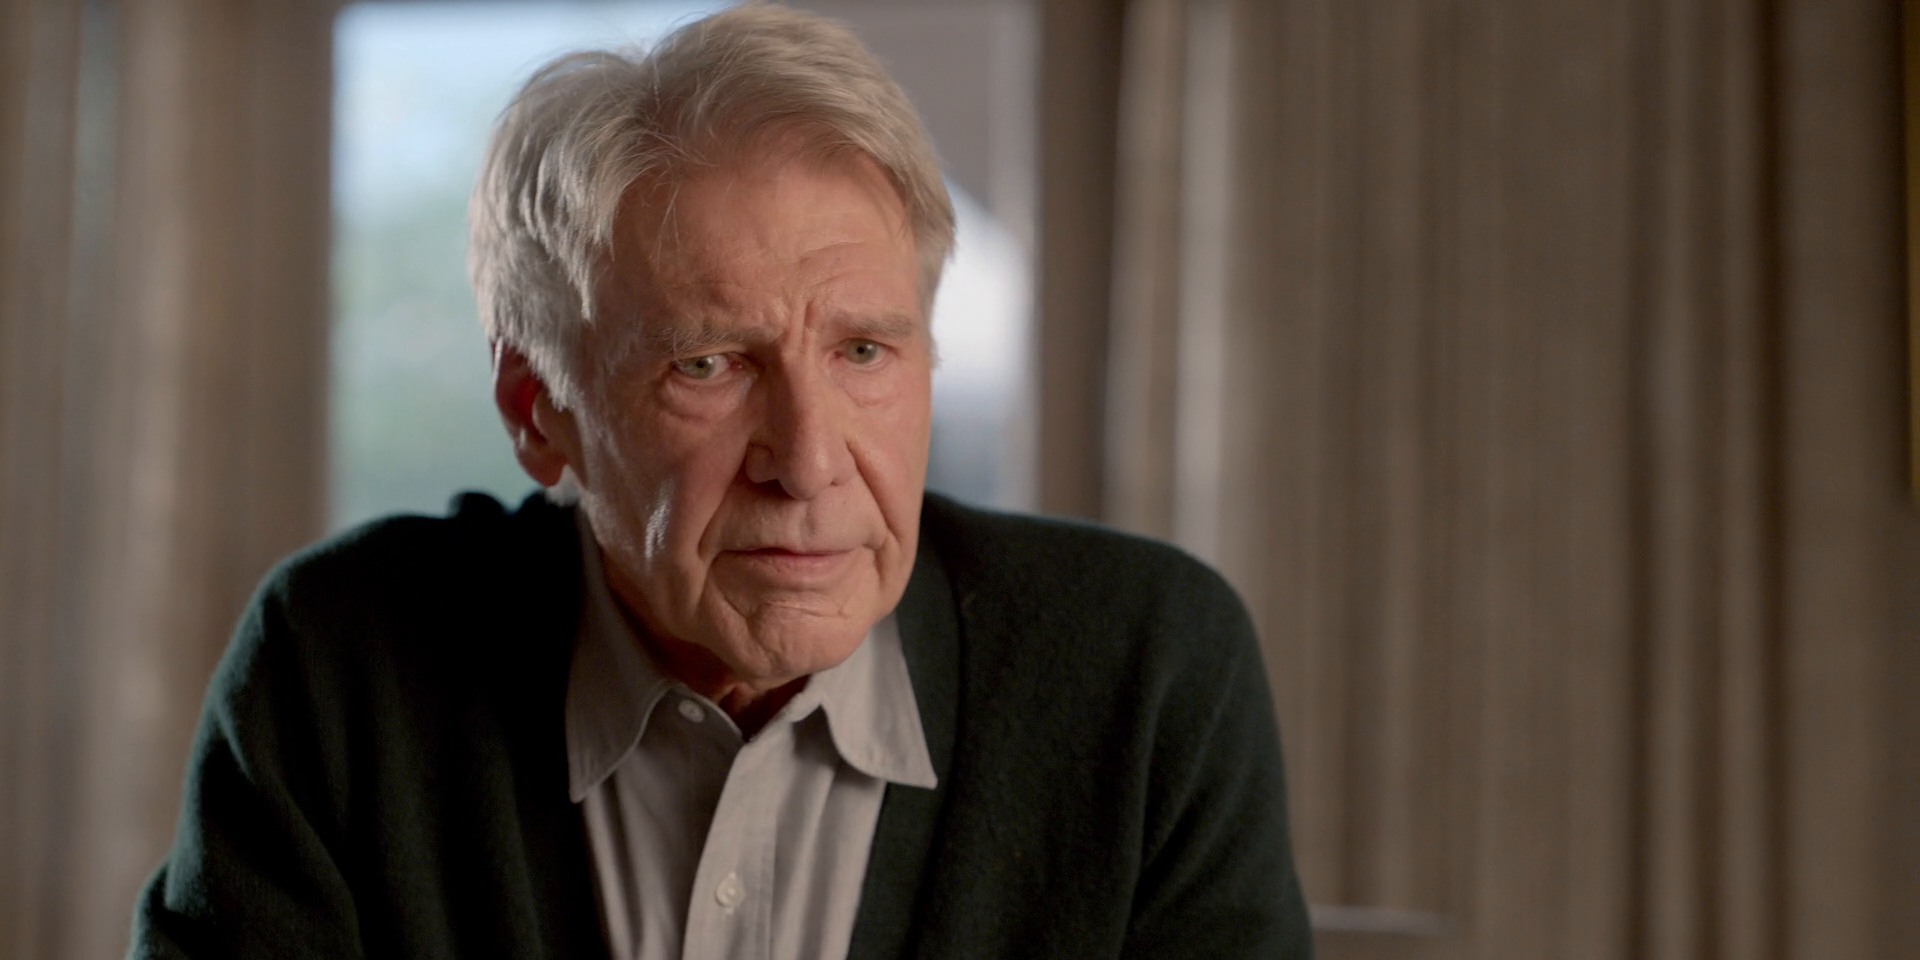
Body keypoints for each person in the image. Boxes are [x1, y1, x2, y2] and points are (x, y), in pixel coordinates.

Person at [129, 5, 1312, 958]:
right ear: (540, 413)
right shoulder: (343, 665)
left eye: (864, 351)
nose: (808, 461)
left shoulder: (1145, 671)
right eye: (709, 365)